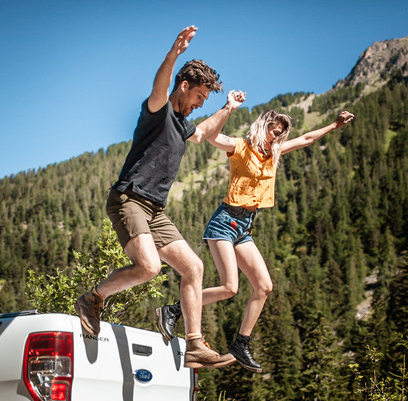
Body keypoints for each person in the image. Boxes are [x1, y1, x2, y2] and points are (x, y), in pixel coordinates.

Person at [74, 26, 245, 369]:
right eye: (199, 96)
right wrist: (174, 53)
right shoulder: (159, 111)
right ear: (184, 86)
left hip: (154, 209)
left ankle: (194, 344)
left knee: (193, 267)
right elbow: (161, 85)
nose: (199, 104)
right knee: (149, 267)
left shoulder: (183, 127)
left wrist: (227, 108)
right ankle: (92, 298)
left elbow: (203, 135)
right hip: (130, 199)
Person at [157, 109, 355, 372]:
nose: (279, 135)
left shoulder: (274, 153)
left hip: (245, 226)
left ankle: (241, 344)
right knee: (230, 287)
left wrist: (334, 125)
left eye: (282, 133)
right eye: (275, 130)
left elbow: (306, 139)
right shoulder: (240, 147)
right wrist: (228, 108)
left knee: (264, 286)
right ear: (264, 125)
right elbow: (211, 136)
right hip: (224, 223)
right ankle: (174, 310)